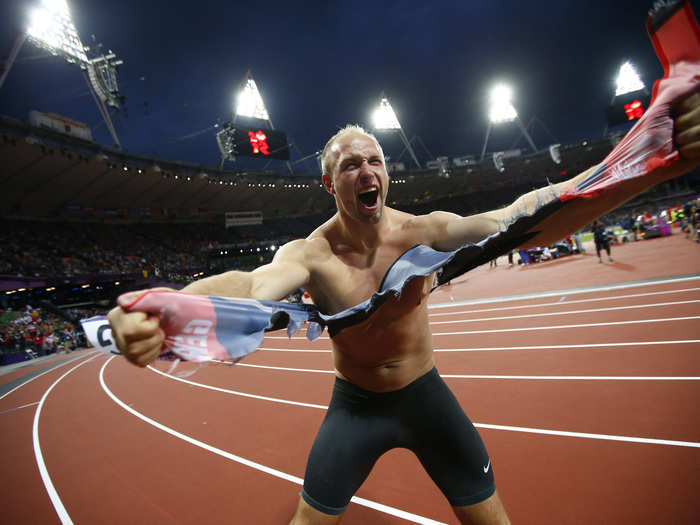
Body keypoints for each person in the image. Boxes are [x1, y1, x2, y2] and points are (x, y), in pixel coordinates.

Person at [108, 87, 700, 524]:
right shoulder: (309, 255)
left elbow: (527, 215)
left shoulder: (421, 230)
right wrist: (169, 307)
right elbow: (251, 284)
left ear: (386, 173)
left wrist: (648, 155)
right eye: (350, 165)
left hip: (426, 397)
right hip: (356, 409)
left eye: (375, 161)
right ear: (329, 183)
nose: (367, 171)